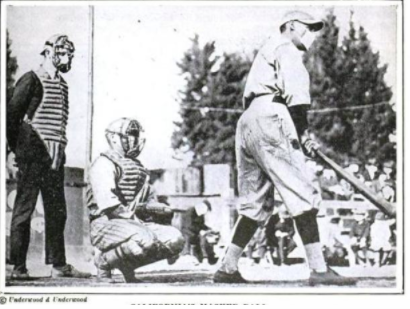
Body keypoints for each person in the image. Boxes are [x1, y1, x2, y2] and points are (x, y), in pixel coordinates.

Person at [213, 11, 355, 285]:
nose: (312, 35)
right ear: (290, 26)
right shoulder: (286, 48)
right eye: (308, 28)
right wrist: (303, 133)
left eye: (315, 30)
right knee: (301, 191)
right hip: (273, 115)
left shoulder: (267, 48)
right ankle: (319, 269)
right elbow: (296, 96)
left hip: (249, 121)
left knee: (254, 203)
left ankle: (227, 267)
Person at [6, 34, 91, 279]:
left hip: (55, 156)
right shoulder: (31, 79)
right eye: (62, 52)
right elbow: (11, 117)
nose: (66, 57)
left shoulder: (62, 84)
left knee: (57, 210)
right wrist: (13, 151)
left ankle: (58, 264)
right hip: (33, 153)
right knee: (24, 209)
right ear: (48, 52)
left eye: (69, 53)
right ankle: (19, 268)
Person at [87, 118, 185, 283]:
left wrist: (156, 210)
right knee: (144, 239)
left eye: (136, 135)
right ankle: (104, 263)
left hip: (131, 223)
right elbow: (110, 206)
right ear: (113, 138)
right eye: (130, 134)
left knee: (175, 239)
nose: (135, 139)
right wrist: (137, 221)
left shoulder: (138, 168)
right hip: (104, 223)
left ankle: (127, 266)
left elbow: (146, 202)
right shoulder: (104, 163)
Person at [182, 200, 220, 265]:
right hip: (188, 232)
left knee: (208, 237)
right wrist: (200, 231)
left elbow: (201, 225)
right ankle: (205, 256)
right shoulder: (190, 212)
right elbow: (188, 226)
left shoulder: (200, 214)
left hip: (196, 233)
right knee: (202, 237)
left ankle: (210, 256)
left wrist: (210, 229)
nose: (205, 212)